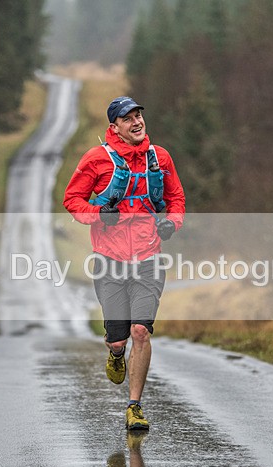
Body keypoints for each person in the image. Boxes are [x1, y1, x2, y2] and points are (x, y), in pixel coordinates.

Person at [63, 96, 186, 430]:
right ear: (114, 126)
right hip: (110, 260)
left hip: (149, 257)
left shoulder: (159, 158)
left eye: (139, 115)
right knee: (119, 338)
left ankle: (135, 406)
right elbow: (72, 200)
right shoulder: (95, 159)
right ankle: (116, 353)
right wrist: (98, 214)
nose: (137, 122)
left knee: (140, 331)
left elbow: (176, 199)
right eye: (128, 118)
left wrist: (171, 224)